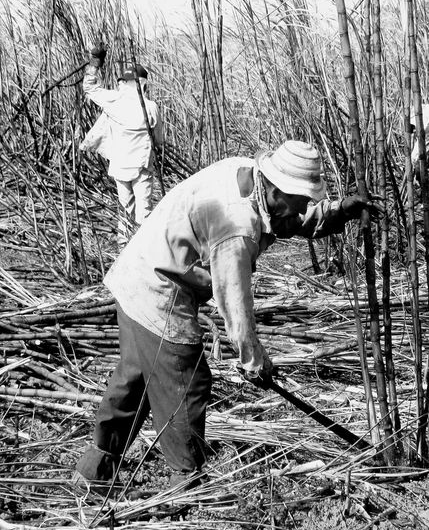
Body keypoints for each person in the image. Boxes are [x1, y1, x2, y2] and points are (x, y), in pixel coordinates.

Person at [75, 140, 379, 494]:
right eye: (299, 202)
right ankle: (186, 482)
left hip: (136, 271)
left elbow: (288, 219)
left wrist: (339, 211)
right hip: (157, 285)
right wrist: (254, 360)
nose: (302, 209)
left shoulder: (250, 176)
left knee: (137, 378)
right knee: (186, 381)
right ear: (275, 188)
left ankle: (94, 469)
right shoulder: (236, 225)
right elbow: (234, 304)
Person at [80, 46, 163, 246]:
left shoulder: (115, 100)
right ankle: (141, 246)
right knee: (144, 207)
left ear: (124, 82)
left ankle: (124, 242)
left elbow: (90, 89)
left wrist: (94, 64)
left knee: (125, 205)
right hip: (142, 165)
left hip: (120, 164)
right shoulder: (150, 107)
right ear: (142, 84)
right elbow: (158, 139)